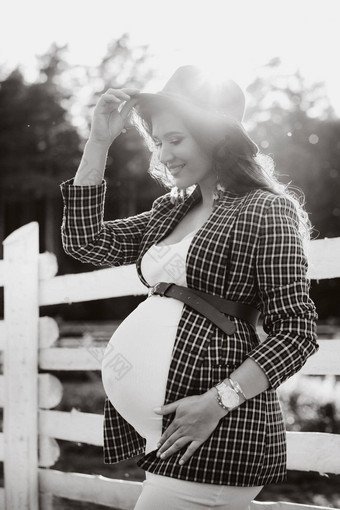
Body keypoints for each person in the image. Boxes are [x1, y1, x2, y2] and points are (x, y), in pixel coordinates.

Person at [60, 65, 319, 510]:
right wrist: (99, 141)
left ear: (216, 136)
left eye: (175, 140)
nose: (162, 156)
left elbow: (296, 332)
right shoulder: (171, 210)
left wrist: (217, 402)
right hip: (173, 441)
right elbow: (85, 242)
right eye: (158, 142)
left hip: (218, 435)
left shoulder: (264, 210)